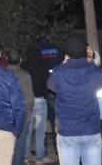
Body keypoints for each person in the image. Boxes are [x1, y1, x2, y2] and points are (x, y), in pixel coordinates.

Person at [47, 34, 102, 165]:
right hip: (91, 130)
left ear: (66, 52)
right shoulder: (96, 72)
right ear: (85, 51)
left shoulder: (59, 72)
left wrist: (64, 61)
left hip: (67, 131)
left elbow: (50, 85)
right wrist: (90, 59)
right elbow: (99, 79)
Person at [24, 30, 62, 161]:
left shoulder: (36, 50)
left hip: (39, 91)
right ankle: (56, 150)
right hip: (53, 89)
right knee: (54, 121)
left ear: (38, 36)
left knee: (35, 127)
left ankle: (41, 149)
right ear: (49, 37)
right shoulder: (57, 49)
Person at [6, 49, 35, 165]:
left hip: (5, 116)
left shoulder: (1, 73)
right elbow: (29, 98)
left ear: (7, 59)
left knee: (6, 149)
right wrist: (28, 114)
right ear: (20, 60)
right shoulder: (24, 75)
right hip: (21, 115)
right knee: (19, 148)